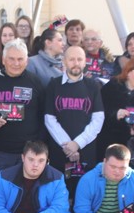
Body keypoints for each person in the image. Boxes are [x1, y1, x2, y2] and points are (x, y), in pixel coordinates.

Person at [0, 39, 46, 182]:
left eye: (20, 59)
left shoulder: (35, 82)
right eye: (11, 59)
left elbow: (43, 115)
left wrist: (39, 146)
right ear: (3, 60)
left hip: (29, 152)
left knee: (27, 191)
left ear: (26, 61)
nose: (16, 63)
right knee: (0, 190)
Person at [43, 46, 105, 180]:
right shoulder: (54, 85)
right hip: (60, 150)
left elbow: (98, 120)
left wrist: (77, 143)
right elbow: (49, 119)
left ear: (85, 62)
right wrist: (67, 145)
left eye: (79, 59)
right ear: (64, 61)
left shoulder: (93, 86)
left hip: (85, 150)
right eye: (72, 59)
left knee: (84, 188)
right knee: (59, 187)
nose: (76, 63)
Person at [95, 56, 134, 154]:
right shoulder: (112, 86)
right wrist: (115, 114)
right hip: (108, 142)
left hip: (130, 147)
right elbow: (98, 110)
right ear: (128, 72)